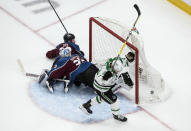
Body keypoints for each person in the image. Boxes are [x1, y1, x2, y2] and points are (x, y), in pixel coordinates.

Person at [78, 53, 135, 122]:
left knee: (103, 98)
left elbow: (122, 62)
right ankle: (116, 115)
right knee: (115, 101)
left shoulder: (116, 61)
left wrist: (127, 58)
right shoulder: (105, 74)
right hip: (101, 88)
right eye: (117, 71)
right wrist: (106, 79)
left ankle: (86, 105)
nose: (117, 72)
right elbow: (100, 81)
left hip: (104, 87)